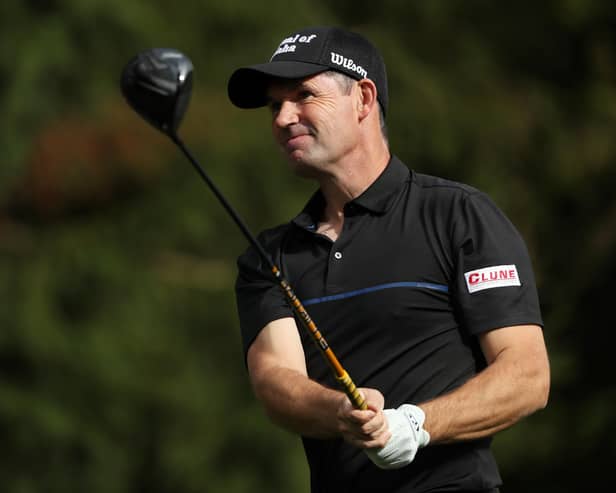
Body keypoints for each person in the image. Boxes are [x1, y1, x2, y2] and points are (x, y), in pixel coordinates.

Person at [227, 26, 550, 493]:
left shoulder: (457, 215)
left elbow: (527, 375)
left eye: (303, 95)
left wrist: (416, 425)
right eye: (275, 105)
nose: (282, 118)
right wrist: (340, 412)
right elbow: (277, 383)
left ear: (362, 98)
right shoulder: (271, 254)